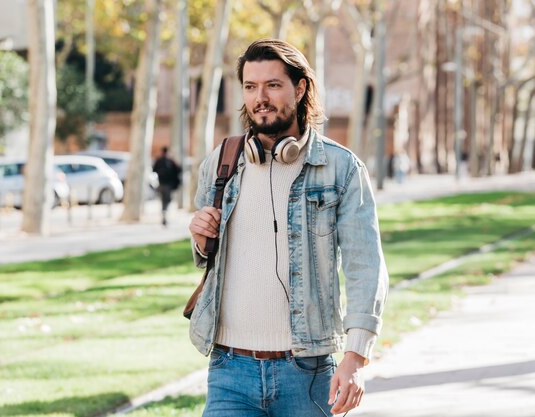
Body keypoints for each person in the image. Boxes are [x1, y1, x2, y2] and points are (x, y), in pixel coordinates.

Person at [188, 39, 388, 417]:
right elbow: (209, 260)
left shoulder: (341, 168)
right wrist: (200, 242)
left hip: (307, 373)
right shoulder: (220, 163)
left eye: (273, 85)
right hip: (230, 371)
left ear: (300, 89)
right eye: (250, 87)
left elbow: (366, 266)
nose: (260, 97)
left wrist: (356, 358)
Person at [153, 146, 181, 225]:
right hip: (168, 185)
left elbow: (154, 169)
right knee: (167, 200)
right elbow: (178, 170)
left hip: (161, 184)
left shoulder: (159, 160)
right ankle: (165, 213)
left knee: (163, 200)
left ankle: (164, 213)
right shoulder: (171, 161)